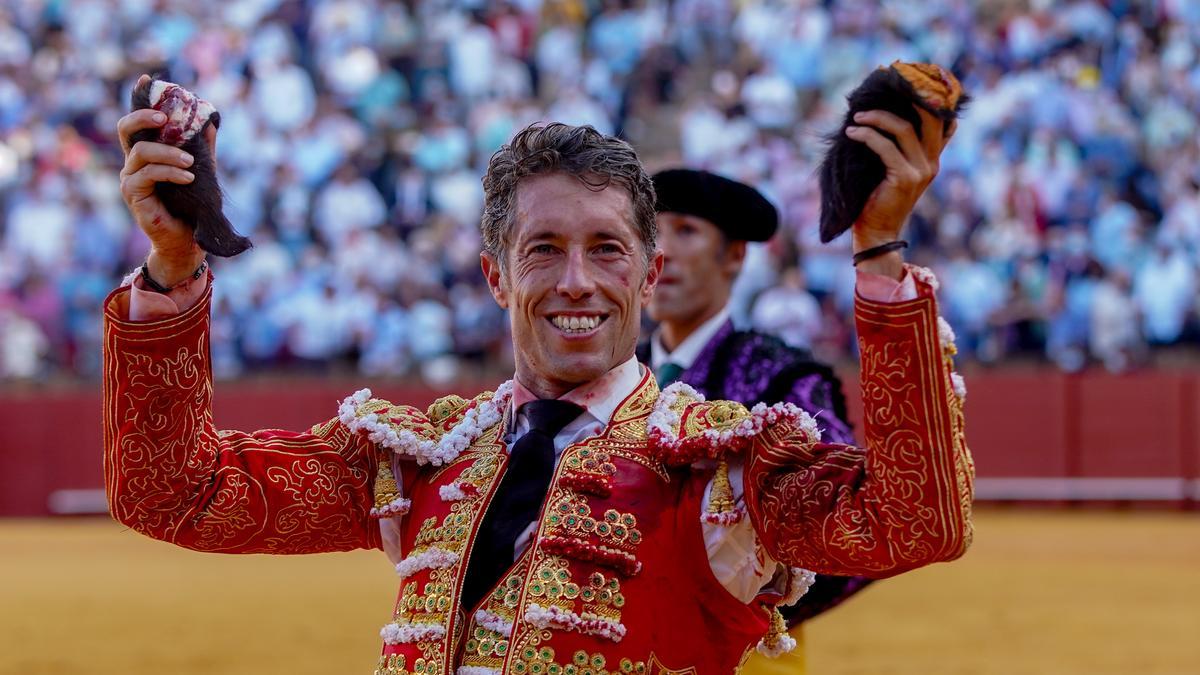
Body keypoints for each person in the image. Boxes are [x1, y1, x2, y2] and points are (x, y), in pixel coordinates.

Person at [105, 73, 972, 674]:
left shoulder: (720, 470)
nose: (576, 282)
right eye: (543, 251)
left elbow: (913, 521)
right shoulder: (427, 457)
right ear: (496, 276)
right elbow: (175, 492)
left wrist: (881, 255)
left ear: (645, 274)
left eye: (606, 250)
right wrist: (173, 266)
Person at [642, 169, 868, 675]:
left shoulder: (784, 378)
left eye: (685, 231)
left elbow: (848, 520)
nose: (661, 253)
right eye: (649, 233)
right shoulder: (612, 375)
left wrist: (745, 607)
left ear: (735, 256)